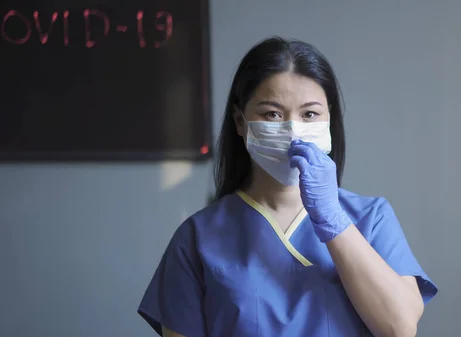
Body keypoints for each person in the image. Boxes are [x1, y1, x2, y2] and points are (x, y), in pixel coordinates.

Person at [137, 36, 438, 337]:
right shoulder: (197, 239)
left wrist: (334, 221)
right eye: (272, 114)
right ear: (240, 121)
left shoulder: (372, 219)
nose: (293, 131)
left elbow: (400, 328)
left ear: (329, 120)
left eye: (309, 114)